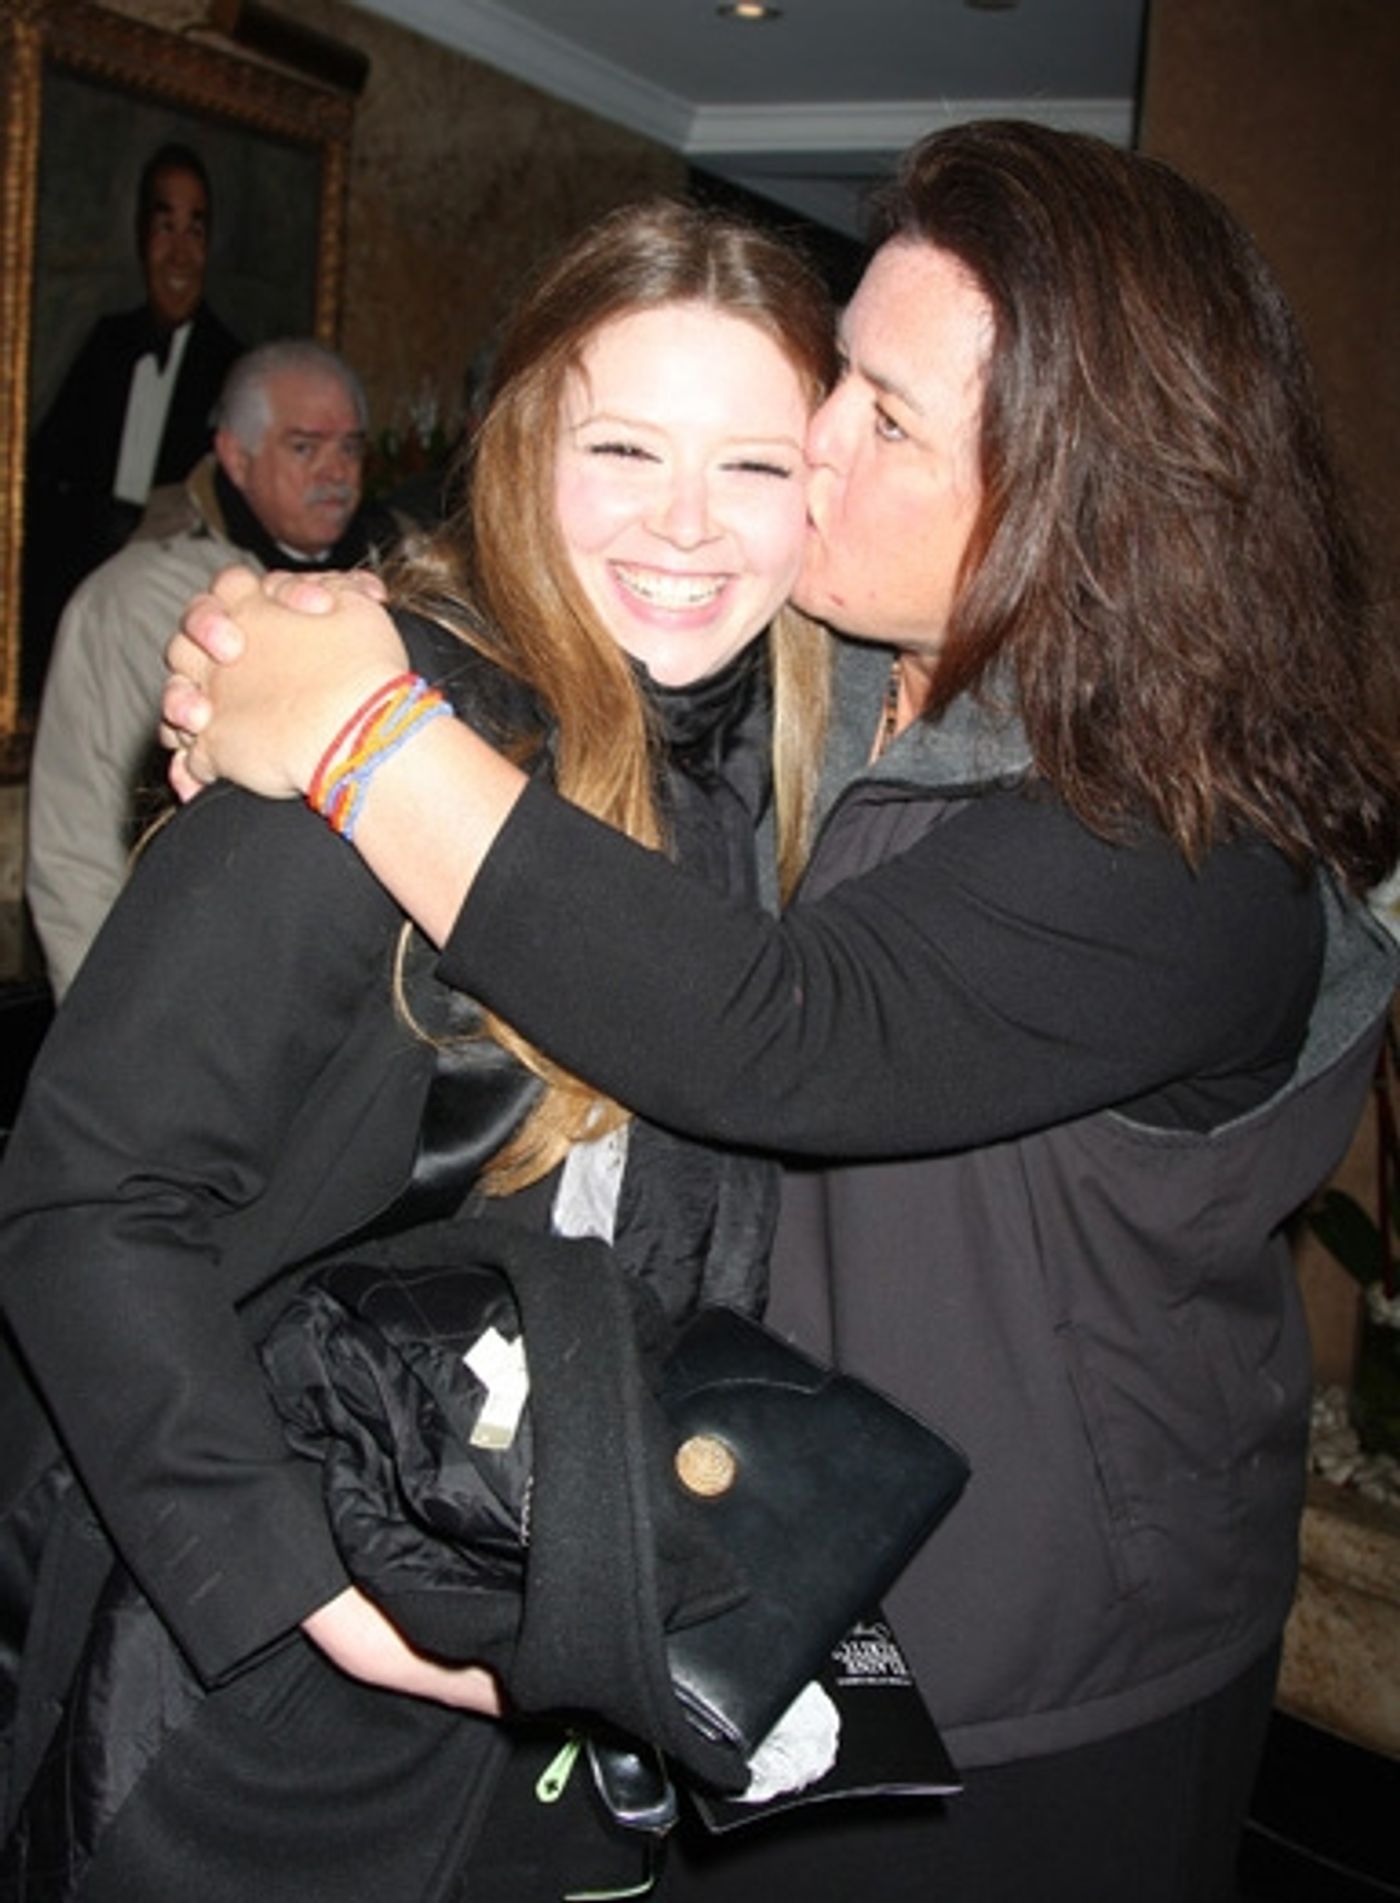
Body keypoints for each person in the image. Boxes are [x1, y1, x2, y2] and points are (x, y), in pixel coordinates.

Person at [164, 121, 1400, 1902]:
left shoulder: (1180, 841)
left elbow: (774, 1029)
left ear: (1080, 492)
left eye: (881, 418)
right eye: (841, 384)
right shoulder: (875, 684)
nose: (811, 449)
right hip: (791, 1588)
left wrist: (360, 735)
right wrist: (332, 631)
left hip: (1036, 1699)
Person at [0, 200, 836, 1903]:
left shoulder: (767, 777)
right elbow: (83, 1197)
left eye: (755, 465)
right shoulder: (373, 736)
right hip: (258, 1687)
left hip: (556, 1682)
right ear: (529, 447)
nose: (691, 526)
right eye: (625, 446)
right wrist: (321, 1591)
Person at [26, 337, 398, 999]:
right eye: (305, 446)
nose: (337, 472)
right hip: (189, 985)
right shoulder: (133, 602)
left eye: (350, 447)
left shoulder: (398, 575)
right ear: (235, 453)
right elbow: (74, 842)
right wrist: (110, 1034)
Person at [23, 145, 243, 703]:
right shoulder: (104, 345)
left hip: (164, 627)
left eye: (195, 229)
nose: (178, 253)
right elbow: (43, 481)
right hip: (70, 612)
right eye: (164, 225)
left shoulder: (235, 368)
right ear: (140, 237)